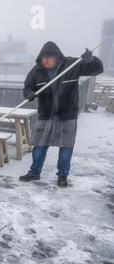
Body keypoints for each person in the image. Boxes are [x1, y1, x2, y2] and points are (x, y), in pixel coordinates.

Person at [20, 42, 104, 187]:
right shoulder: (36, 71)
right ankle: (34, 172)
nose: (45, 60)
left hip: (67, 115)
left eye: (49, 57)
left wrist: (91, 60)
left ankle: (62, 176)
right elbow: (27, 87)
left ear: (57, 56)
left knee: (66, 147)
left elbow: (97, 69)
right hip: (45, 115)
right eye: (42, 58)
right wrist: (29, 94)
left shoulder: (71, 65)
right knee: (39, 146)